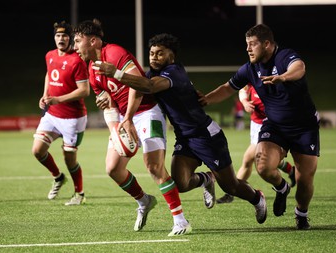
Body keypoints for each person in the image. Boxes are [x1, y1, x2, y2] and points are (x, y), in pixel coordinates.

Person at [92, 33, 267, 227]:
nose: (154, 57)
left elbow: (147, 86)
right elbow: (136, 87)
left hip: (206, 135)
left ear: (171, 56)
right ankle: (206, 178)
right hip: (185, 137)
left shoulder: (173, 72)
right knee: (181, 183)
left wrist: (116, 73)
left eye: (160, 54)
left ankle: (257, 198)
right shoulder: (152, 73)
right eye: (151, 53)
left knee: (231, 185)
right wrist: (110, 97)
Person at [73, 19, 204, 236]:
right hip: (125, 117)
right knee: (113, 168)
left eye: (78, 41)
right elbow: (109, 105)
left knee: (153, 166)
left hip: (147, 112)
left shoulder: (113, 53)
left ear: (93, 41)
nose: (75, 47)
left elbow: (138, 85)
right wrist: (116, 128)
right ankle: (144, 200)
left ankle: (180, 220)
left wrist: (129, 119)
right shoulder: (92, 70)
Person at [199, 24, 319, 230]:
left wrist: (283, 77)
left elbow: (299, 68)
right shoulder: (250, 68)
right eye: (246, 45)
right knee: (262, 166)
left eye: (252, 44)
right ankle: (281, 188)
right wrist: (206, 100)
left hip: (303, 127)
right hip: (275, 125)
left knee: (305, 178)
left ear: (267, 44)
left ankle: (301, 214)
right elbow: (228, 88)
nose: (248, 49)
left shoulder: (284, 56)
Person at [31, 21, 90, 206]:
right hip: (52, 115)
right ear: (54, 37)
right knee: (37, 150)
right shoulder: (49, 55)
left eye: (64, 36)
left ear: (70, 38)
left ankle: (79, 193)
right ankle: (58, 177)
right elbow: (49, 74)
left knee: (69, 159)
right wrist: (45, 95)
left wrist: (59, 99)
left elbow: (84, 90)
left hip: (73, 118)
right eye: (58, 35)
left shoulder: (77, 60)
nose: (61, 39)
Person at [216, 84, 296, 204]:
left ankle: (231, 192)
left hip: (270, 125)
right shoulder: (252, 74)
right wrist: (245, 102)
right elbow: (243, 89)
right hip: (255, 124)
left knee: (248, 158)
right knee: (269, 159)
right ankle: (291, 171)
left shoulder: (275, 77)